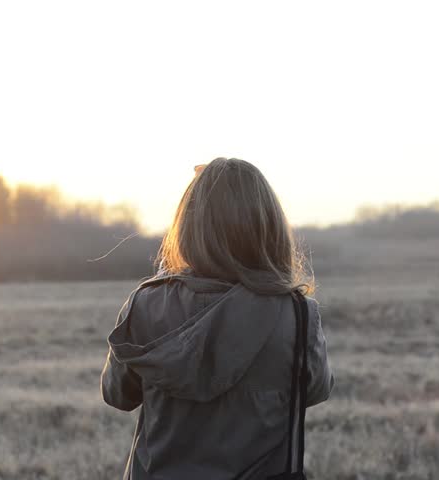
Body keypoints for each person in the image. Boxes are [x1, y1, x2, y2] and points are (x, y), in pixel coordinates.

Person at [100, 157, 334, 479]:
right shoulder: (297, 313)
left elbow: (117, 395)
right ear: (268, 227)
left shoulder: (146, 304)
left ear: (187, 227)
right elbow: (315, 390)